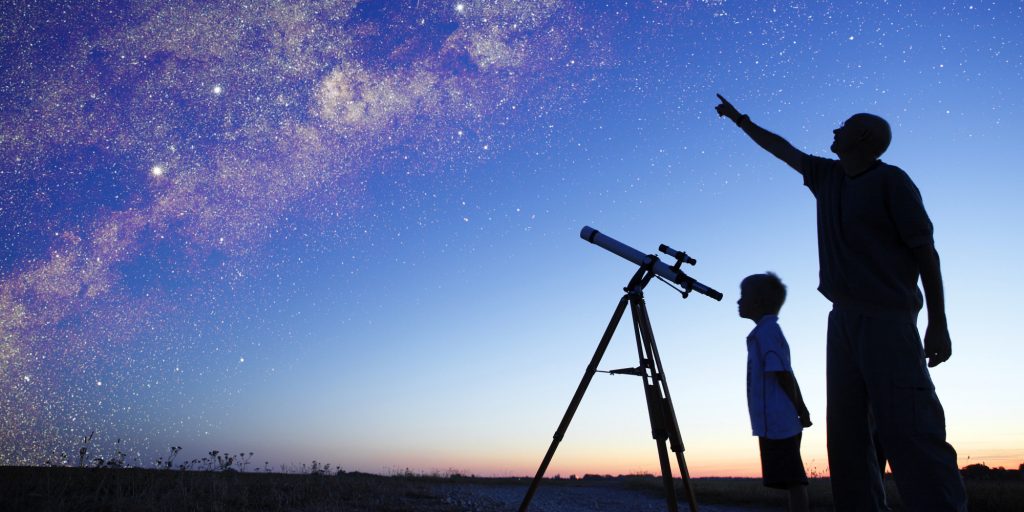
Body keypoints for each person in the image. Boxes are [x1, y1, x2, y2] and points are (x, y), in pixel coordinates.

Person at [715, 94, 967, 511]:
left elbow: (926, 253)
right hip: (843, 320)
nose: (835, 130)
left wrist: (937, 322)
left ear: (864, 137)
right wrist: (741, 121)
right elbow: (783, 150)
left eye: (844, 126)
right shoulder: (827, 176)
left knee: (909, 427)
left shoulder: (892, 182)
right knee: (847, 438)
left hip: (888, 318)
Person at [739, 272, 812, 512]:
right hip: (775, 420)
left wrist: (799, 408)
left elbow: (782, 373)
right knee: (789, 477)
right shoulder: (763, 334)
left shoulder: (767, 334)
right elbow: (786, 371)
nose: (739, 302)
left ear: (758, 302)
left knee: (793, 478)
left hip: (778, 420)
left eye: (743, 296)